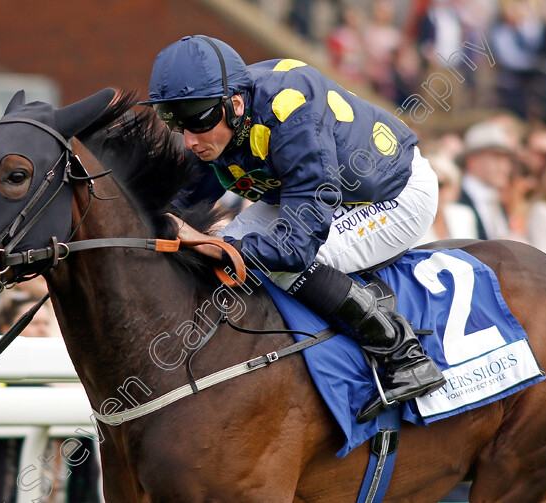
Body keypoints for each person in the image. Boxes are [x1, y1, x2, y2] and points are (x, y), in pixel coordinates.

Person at [141, 35, 445, 423]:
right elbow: (180, 207)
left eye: (198, 121)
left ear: (235, 104)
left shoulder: (290, 110)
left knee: (280, 265)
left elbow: (296, 247)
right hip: (309, 194)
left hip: (393, 193)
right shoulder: (218, 114)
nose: (189, 139)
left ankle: (404, 355)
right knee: (224, 248)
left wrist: (218, 248)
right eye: (174, 122)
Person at [457, 121, 516, 240]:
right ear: (472, 161)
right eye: (497, 158)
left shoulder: (496, 199)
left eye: (507, 159)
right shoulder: (456, 199)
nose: (505, 167)